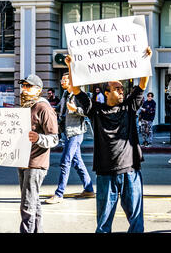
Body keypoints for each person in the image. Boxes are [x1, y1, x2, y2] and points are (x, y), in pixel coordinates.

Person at [64, 47, 151, 233]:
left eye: (122, 89)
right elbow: (77, 89)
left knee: (136, 221)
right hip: (105, 172)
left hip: (131, 170)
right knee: (103, 223)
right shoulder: (95, 109)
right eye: (117, 89)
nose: (122, 91)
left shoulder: (130, 107)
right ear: (107, 92)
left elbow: (143, 83)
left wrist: (146, 59)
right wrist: (71, 66)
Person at [45, 72, 94, 204]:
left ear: (72, 81)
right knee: (77, 162)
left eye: (64, 79)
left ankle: (59, 194)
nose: (62, 81)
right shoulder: (66, 94)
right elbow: (60, 110)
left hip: (75, 133)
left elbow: (88, 112)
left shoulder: (78, 96)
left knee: (65, 161)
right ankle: (89, 189)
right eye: (61, 79)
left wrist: (75, 109)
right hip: (67, 133)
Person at [18, 74, 59, 233]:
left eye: (29, 86)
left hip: (36, 162)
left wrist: (38, 138)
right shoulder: (25, 106)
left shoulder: (43, 107)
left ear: (39, 90)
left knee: (27, 204)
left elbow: (54, 138)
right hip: (22, 160)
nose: (25, 88)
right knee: (33, 202)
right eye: (23, 85)